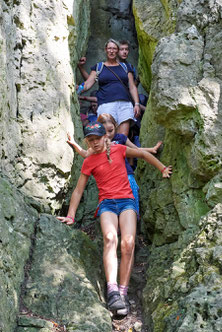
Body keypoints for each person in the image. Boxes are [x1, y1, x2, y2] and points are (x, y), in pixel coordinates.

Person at [58, 122, 172, 316]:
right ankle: (112, 292)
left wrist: (162, 169)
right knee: (110, 238)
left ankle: (123, 292)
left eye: (97, 139)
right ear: (88, 141)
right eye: (90, 140)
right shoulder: (89, 161)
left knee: (128, 243)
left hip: (127, 201)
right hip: (107, 204)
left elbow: (143, 154)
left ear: (105, 137)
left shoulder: (118, 149)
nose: (94, 143)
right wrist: (71, 215)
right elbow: (78, 190)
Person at [67, 113, 162, 218]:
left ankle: (134, 218)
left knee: (131, 199)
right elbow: (85, 154)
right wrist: (74, 143)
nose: (108, 134)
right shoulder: (96, 145)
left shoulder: (120, 139)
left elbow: (136, 150)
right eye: (105, 131)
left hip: (127, 174)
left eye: (110, 130)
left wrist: (151, 149)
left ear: (115, 127)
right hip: (111, 184)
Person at [77, 39, 140, 136]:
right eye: (109, 48)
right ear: (106, 49)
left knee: (122, 137)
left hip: (125, 104)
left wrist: (137, 104)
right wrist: (77, 90)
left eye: (114, 48)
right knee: (108, 136)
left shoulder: (126, 67)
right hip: (106, 104)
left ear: (117, 50)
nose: (112, 51)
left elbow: (132, 87)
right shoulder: (99, 67)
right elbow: (87, 84)